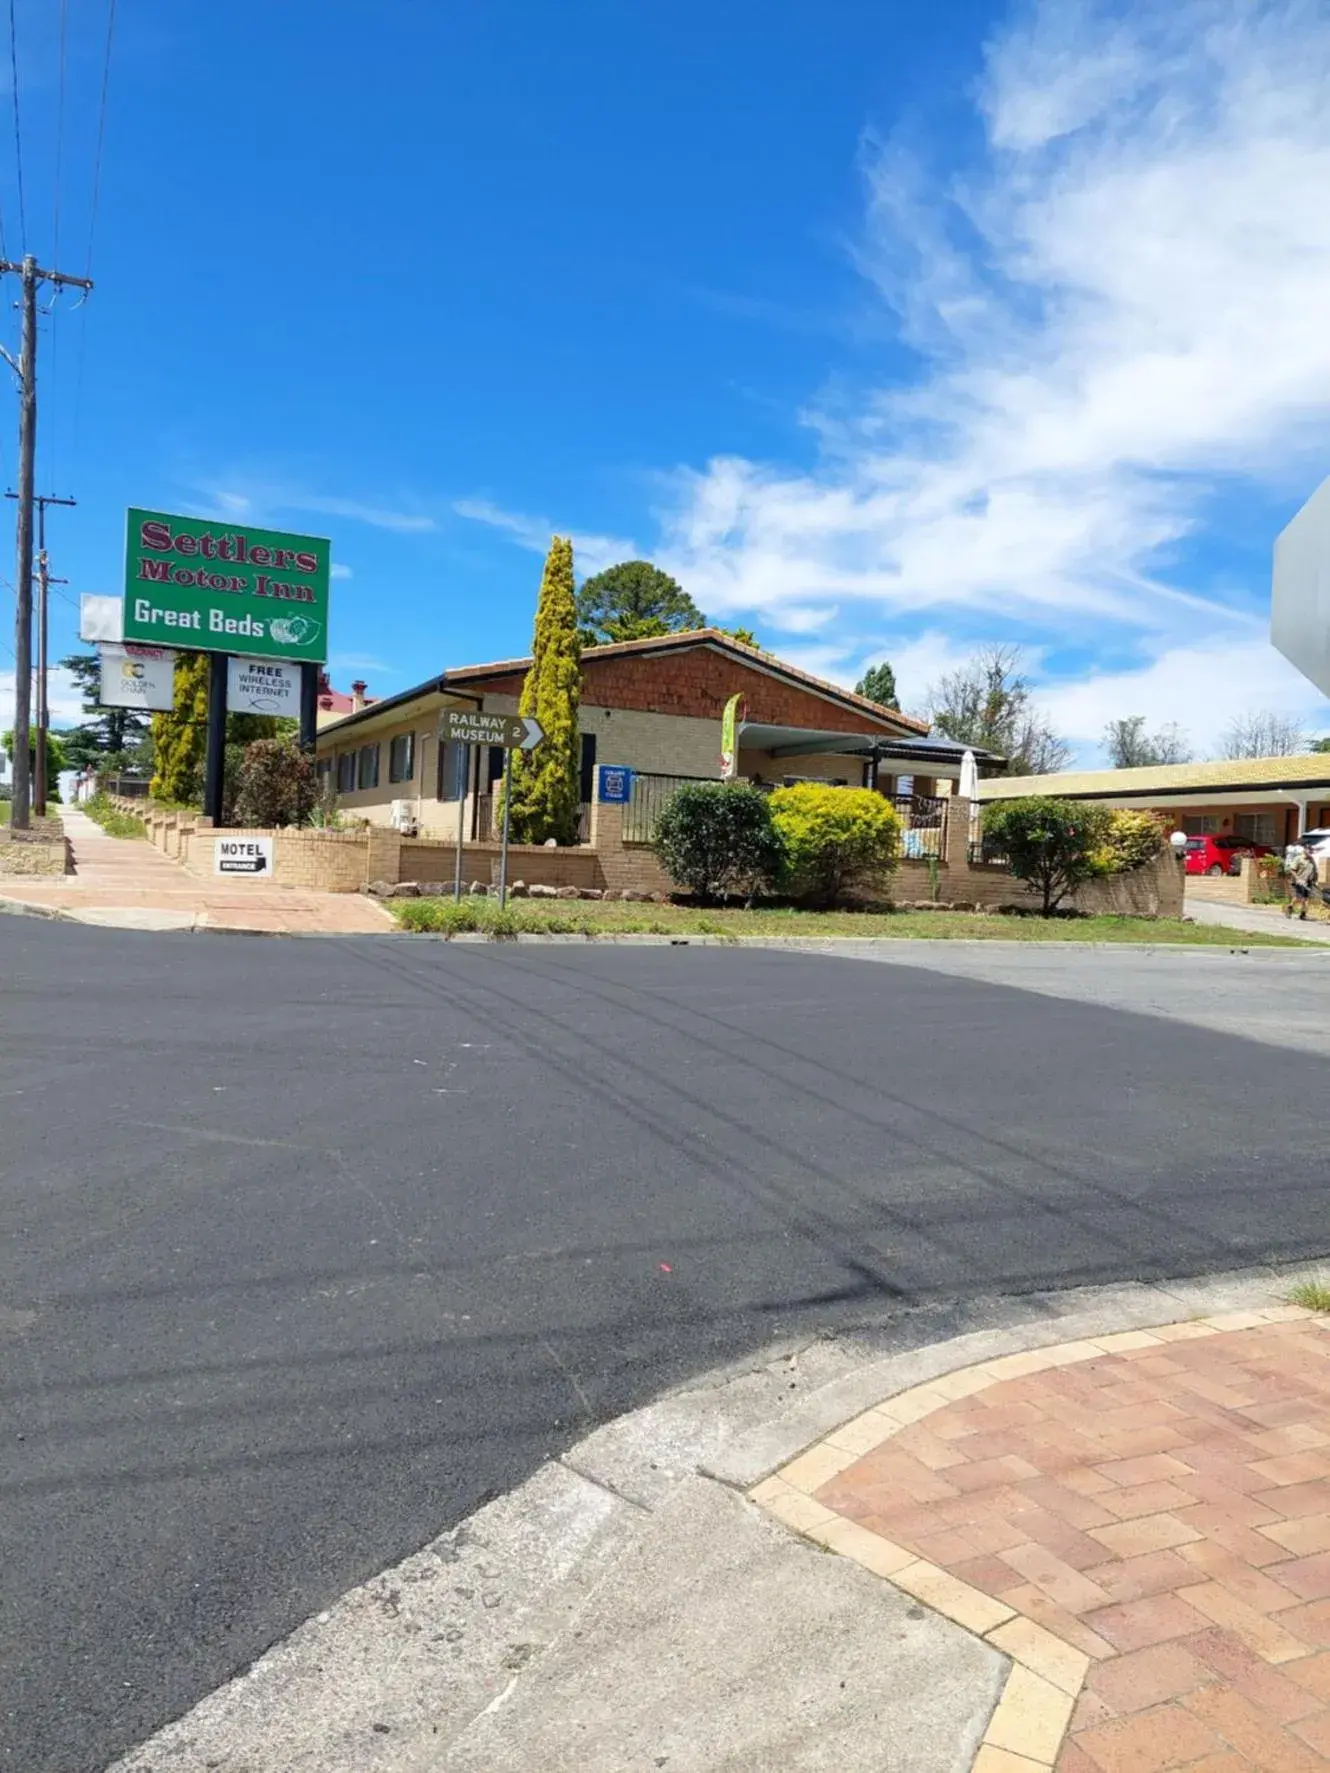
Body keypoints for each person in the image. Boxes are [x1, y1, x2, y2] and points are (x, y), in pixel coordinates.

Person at [1286, 844, 1319, 919]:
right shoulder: (1298, 858)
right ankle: (1289, 907)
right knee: (1299, 898)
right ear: (1304, 849)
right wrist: (1298, 879)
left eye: (1311, 850)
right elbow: (1292, 869)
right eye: (1308, 849)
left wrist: (1315, 880)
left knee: (1306, 899)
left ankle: (1303, 914)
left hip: (1308, 882)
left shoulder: (1312, 860)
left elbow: (1315, 871)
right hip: (1299, 881)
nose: (1310, 851)